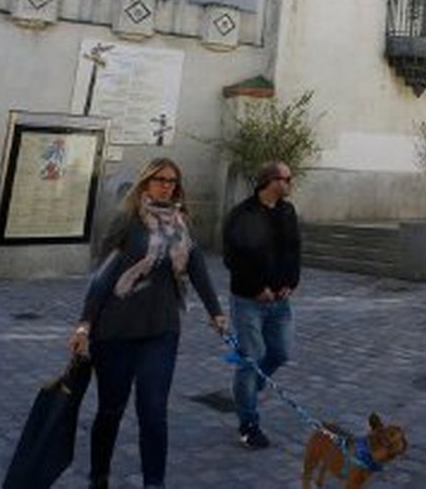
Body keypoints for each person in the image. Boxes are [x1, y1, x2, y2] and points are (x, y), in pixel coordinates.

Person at [68, 158, 227, 489]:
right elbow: (101, 277)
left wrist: (216, 312)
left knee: (154, 412)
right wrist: (84, 324)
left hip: (162, 330)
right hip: (116, 331)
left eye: (173, 181)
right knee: (111, 409)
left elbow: (197, 268)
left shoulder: (181, 225)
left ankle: (154, 483)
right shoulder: (126, 222)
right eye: (160, 179)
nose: (167, 185)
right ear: (145, 183)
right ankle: (99, 477)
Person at [223, 160, 302, 449]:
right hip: (248, 302)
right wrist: (257, 288)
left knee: (280, 353)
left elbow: (294, 251)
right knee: (251, 359)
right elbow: (233, 258)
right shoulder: (242, 214)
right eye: (287, 178)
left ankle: (247, 390)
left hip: (281, 301)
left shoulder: (287, 211)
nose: (290, 183)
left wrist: (289, 283)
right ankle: (249, 424)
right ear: (270, 181)